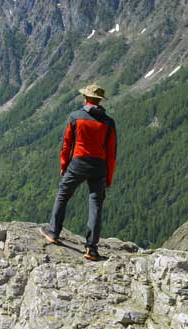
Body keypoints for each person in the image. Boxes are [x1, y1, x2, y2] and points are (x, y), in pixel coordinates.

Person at [39, 83, 117, 261]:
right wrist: (109, 177)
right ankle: (92, 248)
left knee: (63, 194)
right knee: (96, 204)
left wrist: (64, 165)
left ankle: (53, 232)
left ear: (86, 98)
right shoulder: (109, 123)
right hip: (100, 166)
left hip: (78, 163)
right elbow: (112, 153)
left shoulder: (75, 117)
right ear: (99, 100)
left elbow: (66, 145)